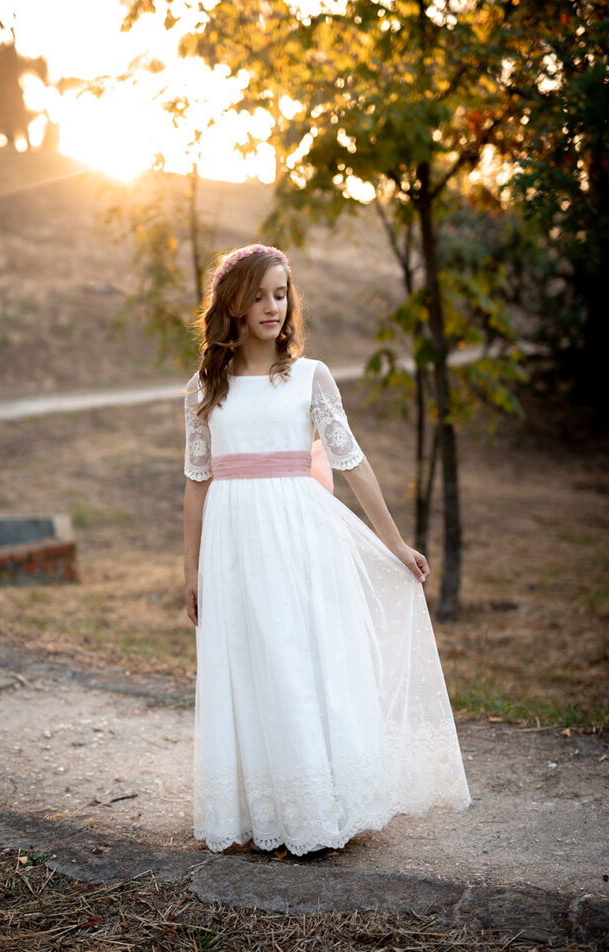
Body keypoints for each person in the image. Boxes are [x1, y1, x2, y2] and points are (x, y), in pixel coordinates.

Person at [183, 243, 470, 857]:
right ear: (232, 305)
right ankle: (266, 809)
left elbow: (352, 461)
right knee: (251, 660)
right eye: (257, 295)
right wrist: (192, 570)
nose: (271, 306)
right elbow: (196, 481)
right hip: (232, 545)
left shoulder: (309, 377)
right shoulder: (204, 390)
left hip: (298, 536)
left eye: (281, 294)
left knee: (296, 658)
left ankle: (318, 809)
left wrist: (393, 541)